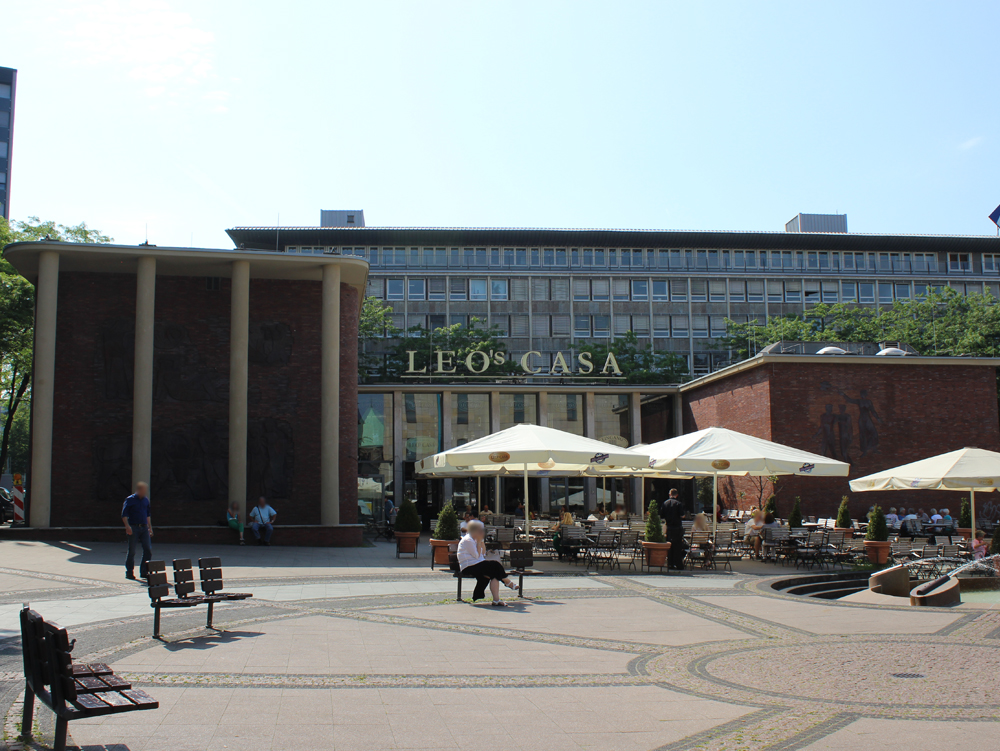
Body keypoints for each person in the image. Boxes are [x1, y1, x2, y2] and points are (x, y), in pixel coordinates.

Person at [458, 520, 519, 606]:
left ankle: (496, 600)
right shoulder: (468, 540)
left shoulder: (475, 539)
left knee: (495, 573)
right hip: (468, 567)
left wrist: (481, 541)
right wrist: (479, 542)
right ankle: (507, 582)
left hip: (477, 564)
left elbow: (483, 554)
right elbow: (476, 556)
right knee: (495, 564)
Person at [122, 481, 153, 581]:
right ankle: (129, 572)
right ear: (138, 490)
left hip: (144, 527)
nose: (144, 492)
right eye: (143, 490)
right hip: (133, 527)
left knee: (148, 549)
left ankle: (144, 571)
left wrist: (150, 528)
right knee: (132, 551)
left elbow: (147, 515)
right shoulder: (130, 499)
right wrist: (127, 526)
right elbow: (124, 514)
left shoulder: (145, 500)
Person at [660, 488, 686, 570]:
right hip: (677, 528)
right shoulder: (678, 504)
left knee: (669, 546)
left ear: (669, 494)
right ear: (677, 495)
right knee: (677, 547)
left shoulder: (665, 503)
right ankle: (678, 564)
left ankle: (670, 564)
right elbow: (682, 516)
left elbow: (662, 516)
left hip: (669, 528)